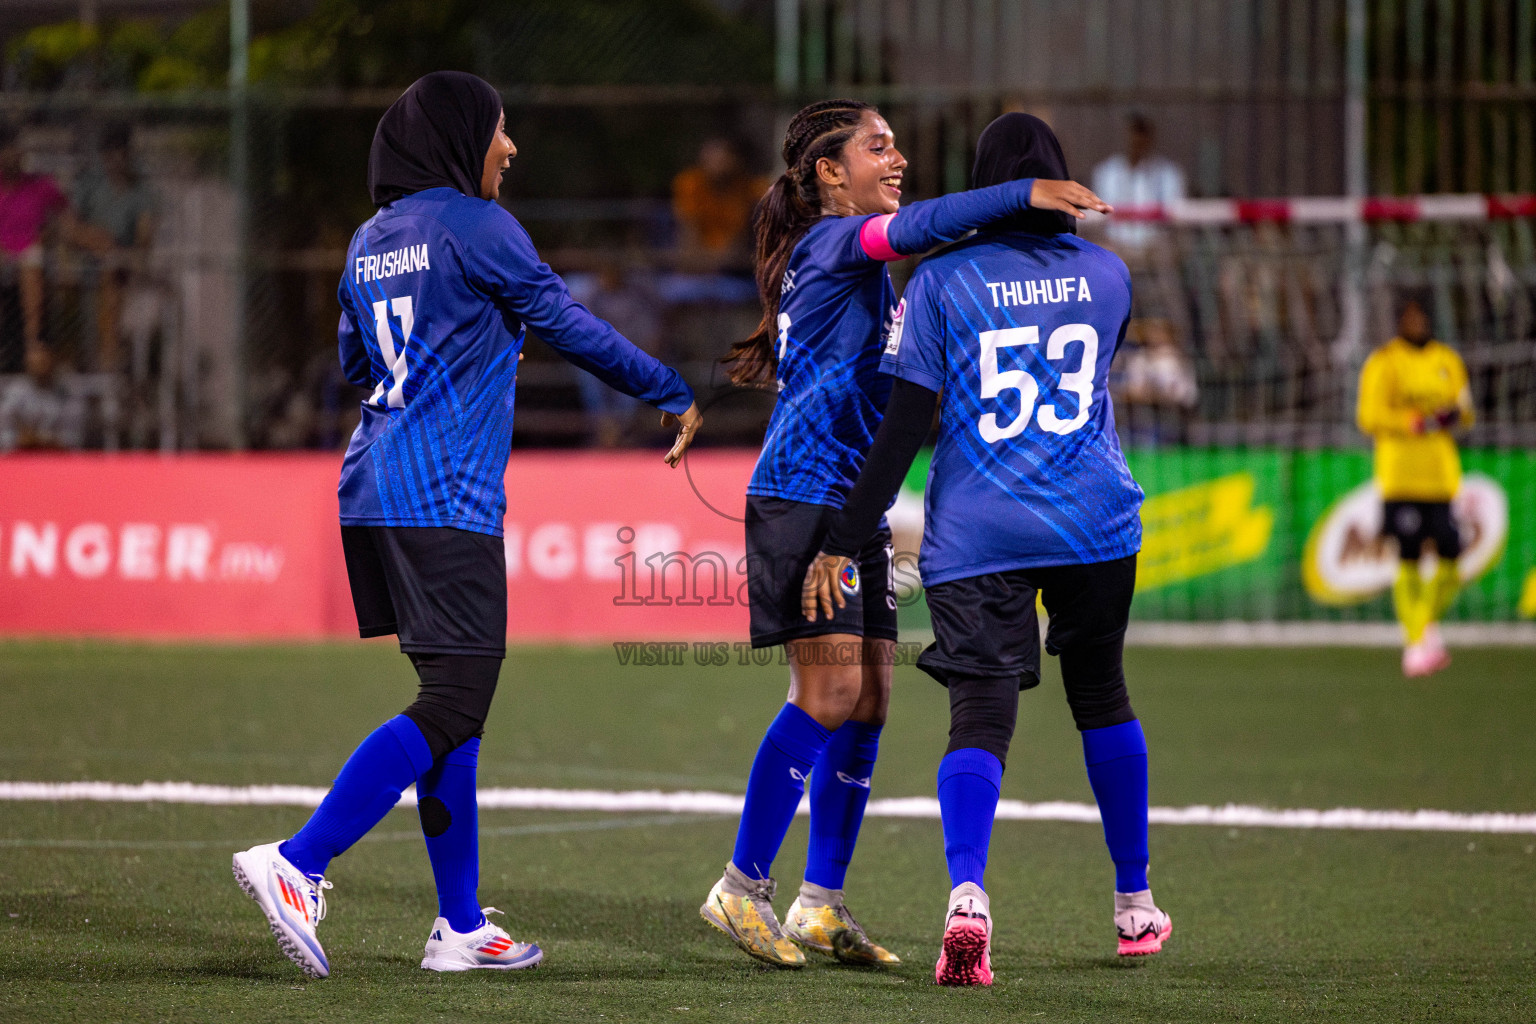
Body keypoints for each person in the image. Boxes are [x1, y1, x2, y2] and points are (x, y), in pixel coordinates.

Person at [231, 72, 702, 980]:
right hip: (444, 496)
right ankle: (300, 861)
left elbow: (351, 356)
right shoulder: (475, 224)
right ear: (459, 138)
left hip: (372, 487)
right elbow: (561, 319)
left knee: (459, 710)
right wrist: (668, 388)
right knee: (452, 702)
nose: (511, 147)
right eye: (499, 129)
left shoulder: (370, 239)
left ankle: (457, 925)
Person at [702, 98, 1109, 970]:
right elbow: (924, 225)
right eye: (877, 148)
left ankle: (822, 903)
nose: (897, 161)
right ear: (827, 174)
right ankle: (741, 886)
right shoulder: (834, 243)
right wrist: (1021, 191)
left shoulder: (865, 265)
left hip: (853, 508)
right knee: (827, 696)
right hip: (804, 501)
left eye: (896, 148)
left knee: (873, 700)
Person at [802, 113, 1170, 986]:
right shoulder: (1110, 276)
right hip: (1093, 524)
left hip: (978, 532)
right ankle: (1134, 904)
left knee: (980, 719)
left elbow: (903, 431)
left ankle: (968, 893)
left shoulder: (939, 282)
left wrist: (847, 534)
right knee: (1103, 695)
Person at [1356, 291, 1473, 677]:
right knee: (1407, 557)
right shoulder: (1385, 361)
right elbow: (1368, 415)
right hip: (1400, 477)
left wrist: (1454, 416)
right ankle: (1414, 645)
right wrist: (1411, 422)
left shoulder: (1447, 360)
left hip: (1440, 477)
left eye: (1421, 316)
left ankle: (1423, 626)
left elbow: (1466, 410)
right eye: (1408, 316)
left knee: (1452, 557)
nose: (1416, 323)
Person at [73, 124, 158, 371]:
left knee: (112, 271)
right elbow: (71, 222)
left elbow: (145, 231)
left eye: (120, 153)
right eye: (109, 154)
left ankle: (108, 359)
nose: (115, 160)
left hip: (120, 262)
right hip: (87, 253)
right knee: (104, 245)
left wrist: (136, 252)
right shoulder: (90, 181)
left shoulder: (140, 187)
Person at [0, 123, 67, 373]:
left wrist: (50, 235)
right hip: (3, 256)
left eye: (13, 148)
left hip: (31, 255)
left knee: (32, 261)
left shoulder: (41, 185)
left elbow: (66, 221)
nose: (10, 155)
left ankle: (32, 344)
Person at [1091, 114, 1184, 252]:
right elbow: (1101, 214)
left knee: (1169, 249)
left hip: (1155, 248)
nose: (1138, 140)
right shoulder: (1107, 172)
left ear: (1151, 138)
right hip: (1115, 245)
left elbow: (1175, 214)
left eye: (1143, 134)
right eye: (1135, 133)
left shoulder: (1168, 173)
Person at [672, 136, 767, 271]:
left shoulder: (750, 188)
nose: (716, 162)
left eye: (723, 156)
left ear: (736, 160)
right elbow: (689, 232)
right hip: (699, 261)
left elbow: (740, 237)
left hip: (733, 264)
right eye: (710, 156)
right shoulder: (690, 183)